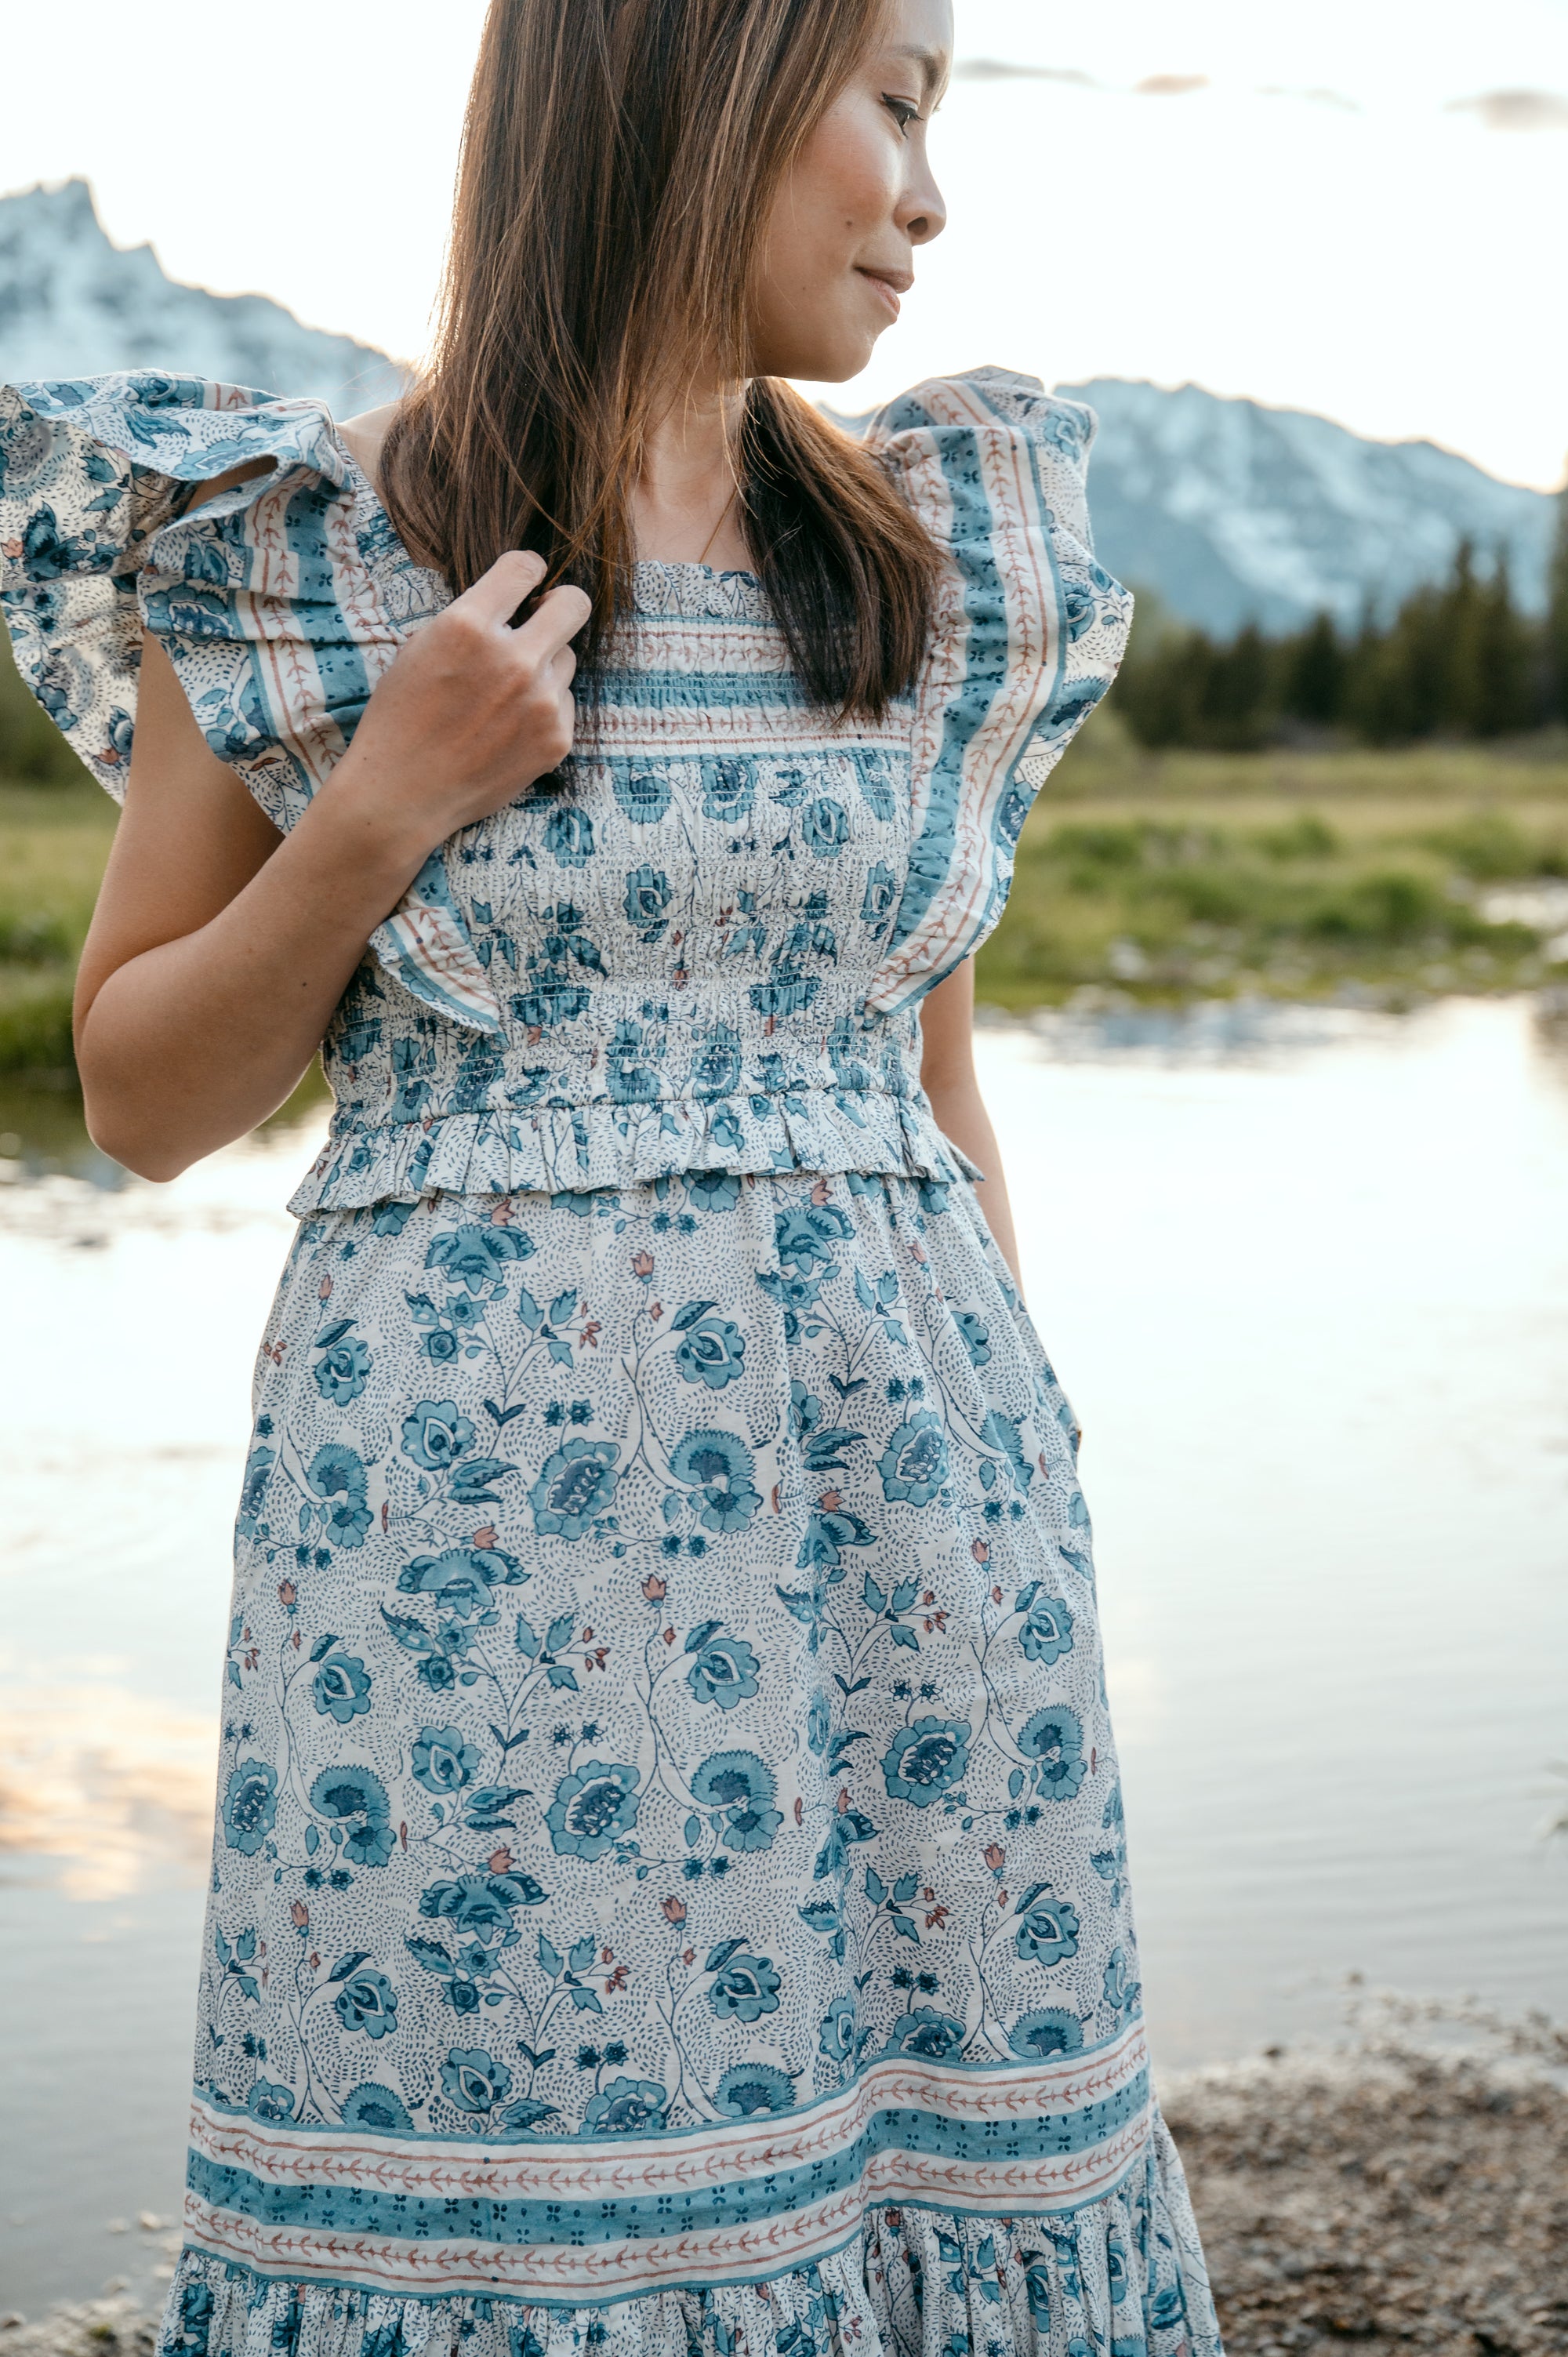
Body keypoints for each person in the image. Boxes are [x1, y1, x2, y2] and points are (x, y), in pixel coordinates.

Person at [0, 2, 1220, 2352]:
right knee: (523, 2167)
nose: (931, 197)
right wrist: (380, 808)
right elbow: (141, 1097)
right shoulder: (290, 554)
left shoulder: (923, 559)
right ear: (697, 97)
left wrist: (1034, 1469)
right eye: (896, 103)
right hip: (469, 1571)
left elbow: (931, 1070)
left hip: (918, 1523)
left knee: (939, 2139)